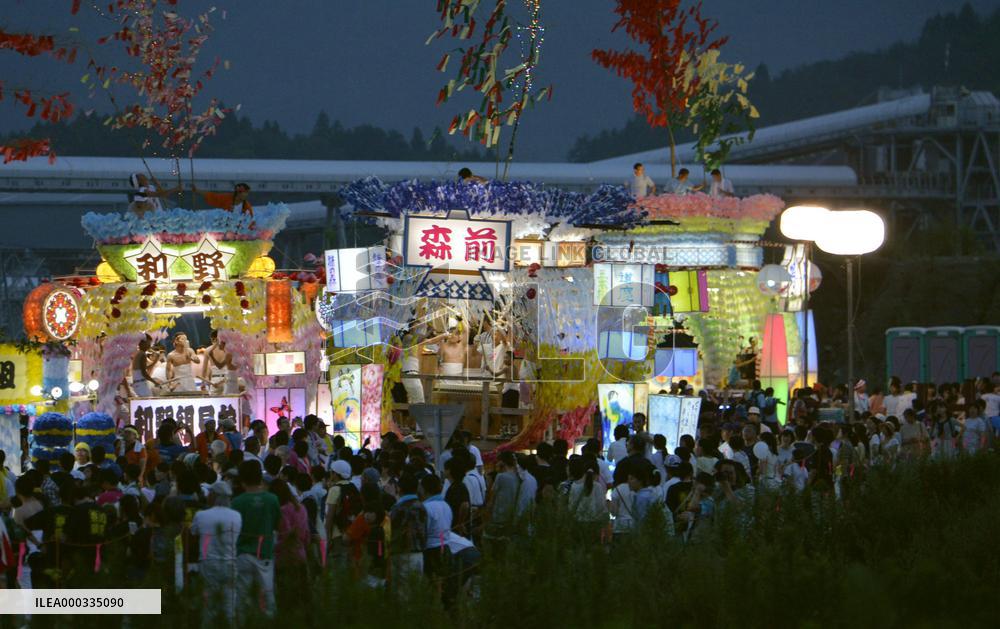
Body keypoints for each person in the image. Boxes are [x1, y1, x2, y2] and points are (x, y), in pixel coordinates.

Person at [232, 460, 280, 621]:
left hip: (242, 554)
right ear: (260, 477)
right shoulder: (272, 499)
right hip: (264, 553)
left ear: (242, 479)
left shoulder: (237, 502)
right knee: (267, 598)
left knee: (242, 597)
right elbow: (277, 524)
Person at [190, 480, 241, 628]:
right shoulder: (236, 516)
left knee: (209, 604)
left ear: (214, 495)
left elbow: (193, 532)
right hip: (230, 562)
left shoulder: (201, 515)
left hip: (208, 562)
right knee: (229, 605)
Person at [271, 478, 310, 611]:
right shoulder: (301, 508)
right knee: (302, 596)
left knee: (286, 599)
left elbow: (284, 536)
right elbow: (306, 535)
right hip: (301, 554)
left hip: (284, 558)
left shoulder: (282, 511)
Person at [388, 472, 428, 591]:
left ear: (399, 488)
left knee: (401, 593)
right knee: (415, 591)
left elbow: (391, 530)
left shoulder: (399, 507)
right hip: (419, 553)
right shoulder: (422, 507)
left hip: (401, 552)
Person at [202, 330, 238, 395]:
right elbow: (220, 366)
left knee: (215, 399)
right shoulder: (230, 350)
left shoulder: (208, 350)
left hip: (218, 379)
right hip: (226, 379)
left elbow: (204, 370)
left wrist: (203, 382)